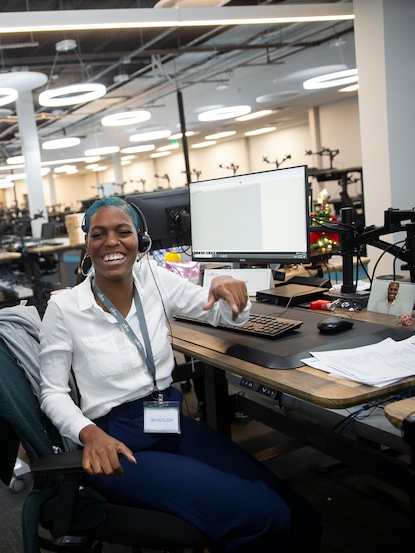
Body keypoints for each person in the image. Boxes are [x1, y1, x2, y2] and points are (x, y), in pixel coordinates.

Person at [39, 197, 321, 553]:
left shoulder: (153, 279)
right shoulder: (65, 308)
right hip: (117, 443)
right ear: (87, 244)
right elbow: (51, 392)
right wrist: (90, 435)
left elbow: (218, 314)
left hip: (166, 422)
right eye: (99, 234)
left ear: (140, 241)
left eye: (123, 232)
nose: (111, 242)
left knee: (299, 513)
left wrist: (229, 295)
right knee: (262, 515)